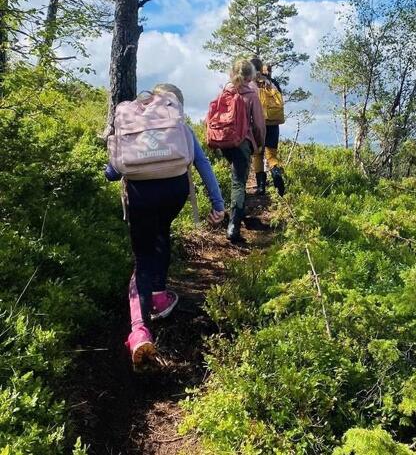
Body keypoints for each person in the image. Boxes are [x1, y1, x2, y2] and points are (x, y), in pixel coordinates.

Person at [105, 83, 225, 367]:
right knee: (161, 233)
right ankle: (158, 297)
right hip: (175, 192)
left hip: (141, 195)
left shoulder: (133, 122)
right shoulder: (177, 125)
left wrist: (111, 167)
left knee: (143, 258)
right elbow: (202, 164)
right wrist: (218, 204)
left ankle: (139, 331)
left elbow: (113, 173)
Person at [219, 59, 266, 242]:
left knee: (236, 178)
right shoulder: (251, 94)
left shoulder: (225, 91)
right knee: (239, 183)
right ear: (250, 75)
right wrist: (259, 143)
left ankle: (238, 212)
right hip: (241, 143)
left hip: (224, 142)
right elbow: (259, 126)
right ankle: (233, 227)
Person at [250, 58, 285, 197]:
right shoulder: (273, 83)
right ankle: (276, 174)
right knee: (271, 155)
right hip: (273, 123)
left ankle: (261, 187)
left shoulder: (250, 84)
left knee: (258, 154)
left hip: (257, 124)